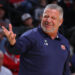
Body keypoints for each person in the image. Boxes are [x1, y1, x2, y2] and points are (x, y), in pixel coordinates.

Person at [2, 4, 71, 75]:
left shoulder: (64, 42)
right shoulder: (31, 36)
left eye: (53, 18)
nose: (48, 20)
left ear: (60, 22)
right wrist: (12, 43)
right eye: (46, 16)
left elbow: (66, 70)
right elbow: (17, 48)